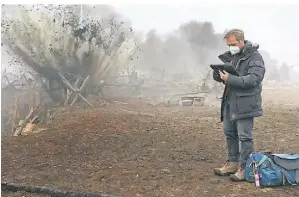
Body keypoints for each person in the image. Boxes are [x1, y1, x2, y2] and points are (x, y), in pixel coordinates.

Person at [213, 29, 265, 181]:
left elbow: (253, 80)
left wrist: (230, 79)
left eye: (233, 44)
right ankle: (233, 162)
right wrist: (219, 76)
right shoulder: (233, 56)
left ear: (242, 41)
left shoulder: (255, 57)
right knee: (229, 133)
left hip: (246, 103)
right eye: (229, 45)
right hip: (230, 100)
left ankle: (245, 167)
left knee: (244, 137)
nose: (231, 47)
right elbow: (231, 77)